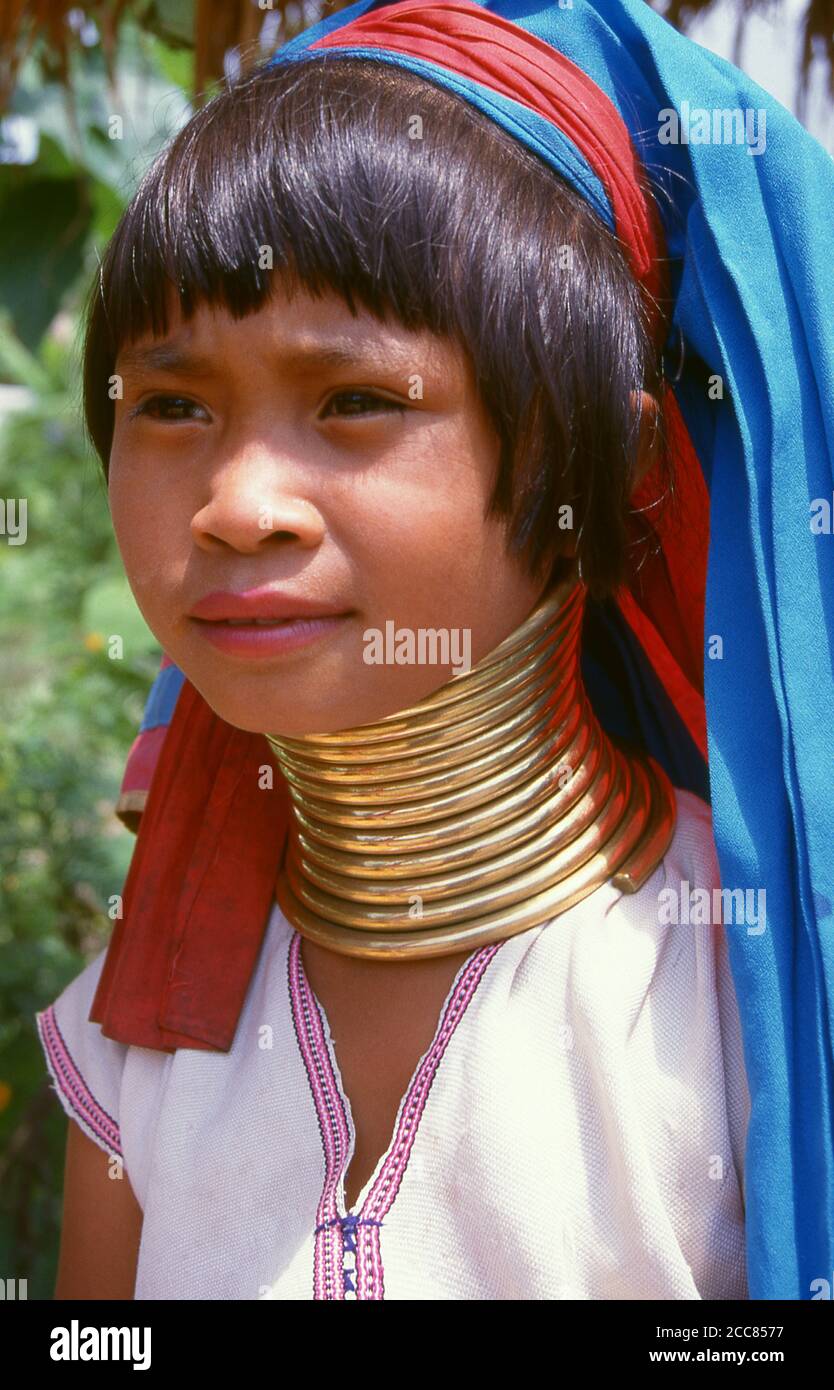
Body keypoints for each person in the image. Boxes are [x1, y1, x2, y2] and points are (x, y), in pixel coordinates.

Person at [34, 0, 834, 1301]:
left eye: (354, 401)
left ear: (612, 462)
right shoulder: (142, 1040)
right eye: (172, 405)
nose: (237, 505)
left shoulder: (750, 990)